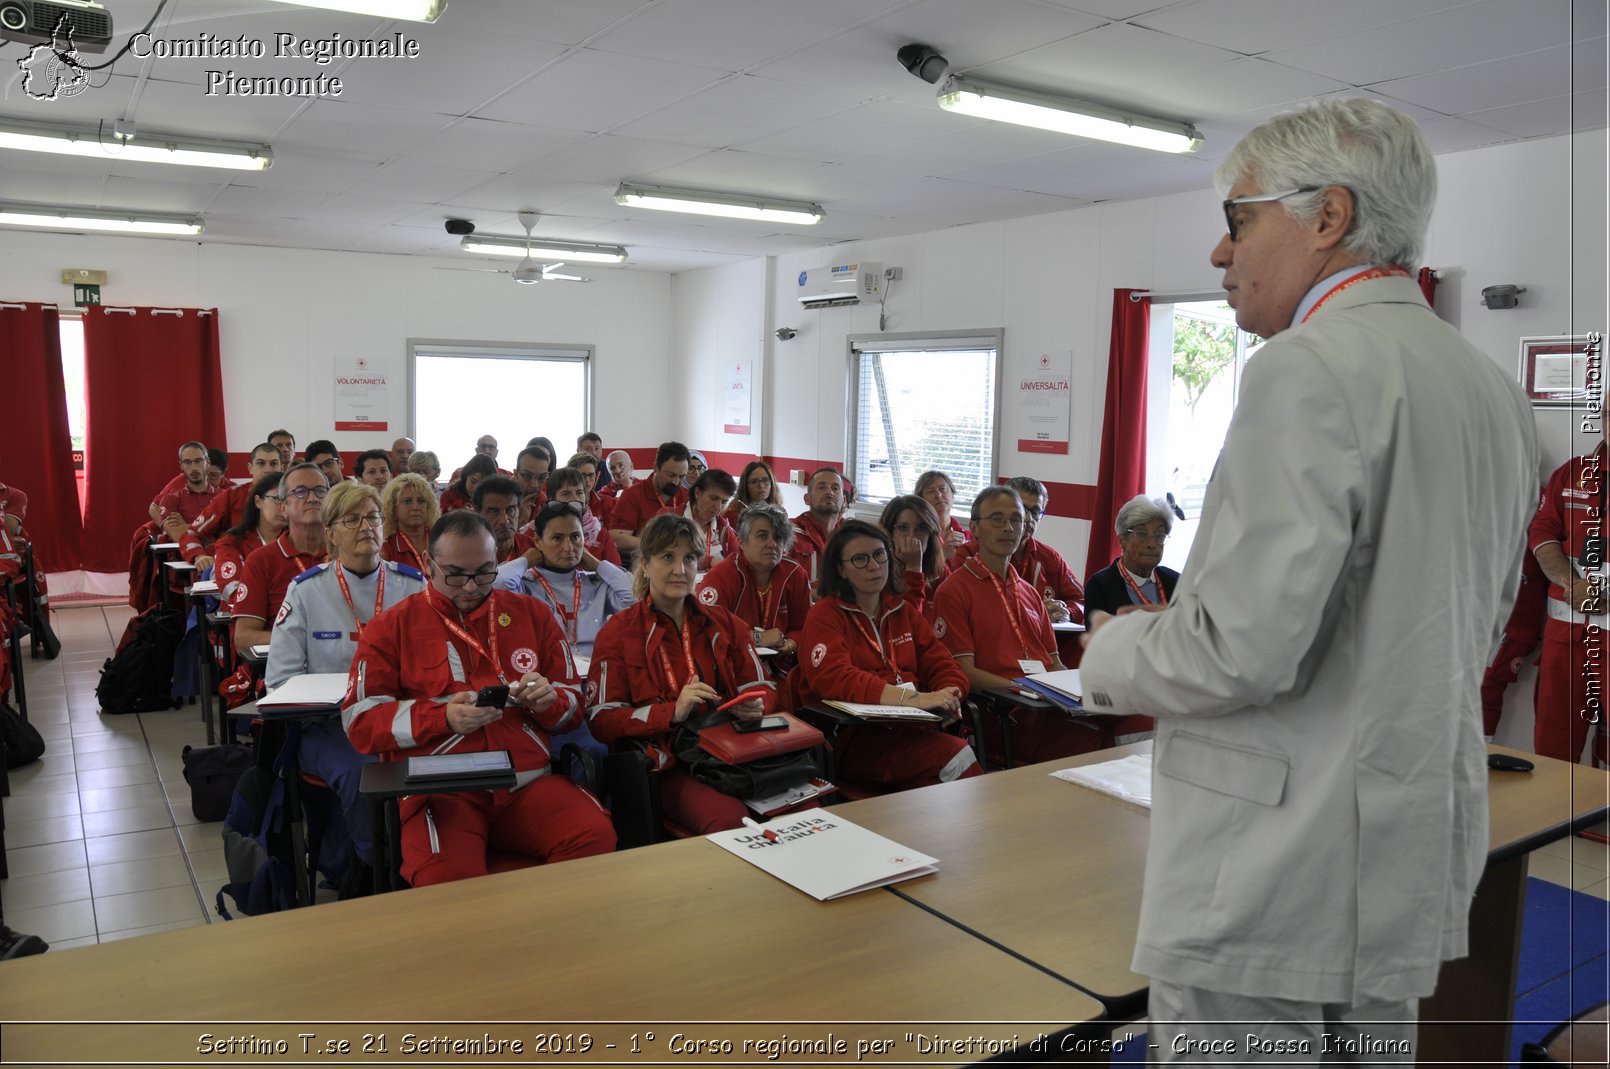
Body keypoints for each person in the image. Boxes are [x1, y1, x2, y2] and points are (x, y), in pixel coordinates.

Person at [1078, 99, 1538, 1057]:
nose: (1219, 251)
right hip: (1404, 853)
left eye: (1237, 218)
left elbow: (1238, 650)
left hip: (1271, 874)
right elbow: (1475, 625)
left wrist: (1109, 649)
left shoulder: (1307, 367)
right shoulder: (1488, 386)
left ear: (1327, 217)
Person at [343, 511, 616, 886]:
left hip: (527, 783)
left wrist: (548, 701)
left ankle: (549, 937)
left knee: (595, 838)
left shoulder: (533, 615)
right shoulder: (390, 627)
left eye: (485, 572)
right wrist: (441, 718)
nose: (471, 587)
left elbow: (572, 707)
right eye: (455, 574)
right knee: (447, 880)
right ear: (428, 563)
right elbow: (360, 722)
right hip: (441, 792)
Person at [266, 482, 426, 879]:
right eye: (351, 520)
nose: (365, 527)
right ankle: (381, 870)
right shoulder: (306, 591)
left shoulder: (414, 586)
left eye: (372, 517)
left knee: (440, 765)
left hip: (401, 718)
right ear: (331, 533)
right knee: (362, 774)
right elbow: (280, 680)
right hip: (330, 727)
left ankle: (429, 854)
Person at [588, 514, 776, 834]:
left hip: (732, 751)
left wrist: (756, 706)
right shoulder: (618, 632)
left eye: (689, 558)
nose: (680, 570)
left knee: (802, 806)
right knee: (729, 822)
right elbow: (601, 719)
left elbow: (764, 687)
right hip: (669, 763)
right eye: (667, 557)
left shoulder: (726, 624)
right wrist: (670, 713)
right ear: (645, 565)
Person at [799, 519, 979, 790]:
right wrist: (912, 699)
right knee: (959, 758)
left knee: (941, 789)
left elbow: (942, 662)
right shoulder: (825, 614)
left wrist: (950, 694)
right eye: (860, 559)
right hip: (858, 739)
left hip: (914, 731)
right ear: (840, 569)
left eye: (880, 554)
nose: (873, 565)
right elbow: (834, 677)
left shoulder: (901, 610)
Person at [933, 487, 1100, 764]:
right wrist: (1024, 689)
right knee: (1091, 740)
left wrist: (1077, 689)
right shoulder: (954, 591)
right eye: (997, 519)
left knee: (1116, 716)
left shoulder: (1030, 592)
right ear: (975, 527)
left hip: (1044, 704)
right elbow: (964, 672)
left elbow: (1054, 662)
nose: (1008, 528)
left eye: (1016, 520)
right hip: (1003, 710)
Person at [1528, 430, 1607, 762]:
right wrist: (1568, 581)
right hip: (1565, 641)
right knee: (1553, 748)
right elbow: (1542, 529)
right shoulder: (1573, 472)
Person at [496, 499, 634, 661]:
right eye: (557, 538)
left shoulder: (597, 583)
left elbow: (634, 598)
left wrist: (598, 565)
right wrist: (525, 560)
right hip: (547, 672)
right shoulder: (525, 584)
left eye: (575, 537)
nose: (568, 547)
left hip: (596, 670)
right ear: (538, 542)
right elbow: (496, 584)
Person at [953, 477, 1086, 626]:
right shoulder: (968, 554)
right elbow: (968, 608)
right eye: (1022, 509)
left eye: (1035, 511)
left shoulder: (1049, 558)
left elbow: (1085, 601)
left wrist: (1067, 612)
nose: (1028, 518)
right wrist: (1036, 613)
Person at [230, 464, 330, 656]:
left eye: (320, 491)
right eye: (300, 492)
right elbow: (244, 638)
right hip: (286, 663)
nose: (312, 498)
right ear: (283, 507)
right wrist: (307, 639)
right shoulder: (262, 560)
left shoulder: (346, 553)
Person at [696, 503, 809, 669]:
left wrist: (791, 643)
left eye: (778, 537)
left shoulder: (795, 574)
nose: (772, 544)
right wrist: (756, 638)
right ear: (742, 542)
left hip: (783, 669)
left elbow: (804, 627)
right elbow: (705, 632)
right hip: (733, 669)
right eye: (762, 536)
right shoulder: (722, 575)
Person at [182, 443, 282, 570]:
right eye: (261, 463)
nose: (268, 469)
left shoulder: (293, 499)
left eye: (273, 464)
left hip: (283, 567)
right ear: (250, 468)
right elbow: (191, 534)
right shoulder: (230, 497)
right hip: (237, 566)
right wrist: (199, 556)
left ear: (281, 467)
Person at [1083, 495, 1181, 618]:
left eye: (1159, 535)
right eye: (1141, 534)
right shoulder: (1099, 585)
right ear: (1122, 539)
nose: (1151, 544)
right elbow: (1097, 635)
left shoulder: (1176, 581)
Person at [524, 465, 620, 566]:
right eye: (566, 493)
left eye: (579, 493)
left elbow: (619, 578)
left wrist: (597, 566)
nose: (575, 499)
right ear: (552, 499)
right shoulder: (534, 533)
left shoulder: (600, 534)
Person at [212, 472, 286, 603]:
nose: (284, 507)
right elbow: (234, 593)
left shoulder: (299, 539)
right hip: (248, 616)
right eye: (277, 500)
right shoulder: (231, 542)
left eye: (289, 500)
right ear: (258, 501)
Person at [609, 441, 690, 557]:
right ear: (655, 468)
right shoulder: (633, 494)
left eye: (682, 477)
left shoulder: (687, 497)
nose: (676, 482)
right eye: (671, 475)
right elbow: (616, 537)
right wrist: (657, 545)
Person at [878, 495, 945, 616]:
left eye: (922, 528)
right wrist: (913, 567)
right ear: (890, 533)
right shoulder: (878, 572)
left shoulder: (940, 570)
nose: (912, 536)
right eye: (903, 528)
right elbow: (907, 625)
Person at [149, 441, 220, 545]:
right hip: (182, 558)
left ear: (208, 462)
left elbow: (233, 533)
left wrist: (186, 525)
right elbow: (177, 535)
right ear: (181, 466)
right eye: (187, 462)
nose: (194, 467)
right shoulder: (171, 500)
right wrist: (216, 525)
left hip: (220, 556)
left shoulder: (225, 496)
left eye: (198, 461)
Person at [788, 467, 846, 587]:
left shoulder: (850, 535)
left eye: (835, 488)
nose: (829, 492)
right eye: (821, 487)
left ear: (844, 501)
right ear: (807, 499)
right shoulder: (789, 532)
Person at [379, 472, 439, 575]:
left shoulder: (441, 539)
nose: (415, 507)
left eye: (421, 501)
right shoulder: (385, 548)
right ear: (393, 508)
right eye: (407, 501)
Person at [685, 468, 738, 571]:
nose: (718, 507)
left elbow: (736, 565)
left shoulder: (725, 529)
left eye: (724, 502)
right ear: (697, 493)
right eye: (714, 498)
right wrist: (710, 562)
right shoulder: (670, 517)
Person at [915, 470, 968, 564]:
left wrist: (967, 551)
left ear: (952, 495)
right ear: (921, 500)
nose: (938, 495)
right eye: (931, 491)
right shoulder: (918, 537)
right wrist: (943, 554)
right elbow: (916, 575)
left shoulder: (969, 536)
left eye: (942, 489)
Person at [723, 460, 782, 526]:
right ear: (745, 486)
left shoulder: (779, 511)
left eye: (765, 480)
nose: (761, 486)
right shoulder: (732, 515)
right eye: (754, 482)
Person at [513, 447, 552, 524]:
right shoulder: (499, 502)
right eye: (527, 476)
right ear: (516, 474)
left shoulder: (547, 504)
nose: (535, 485)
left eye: (542, 477)